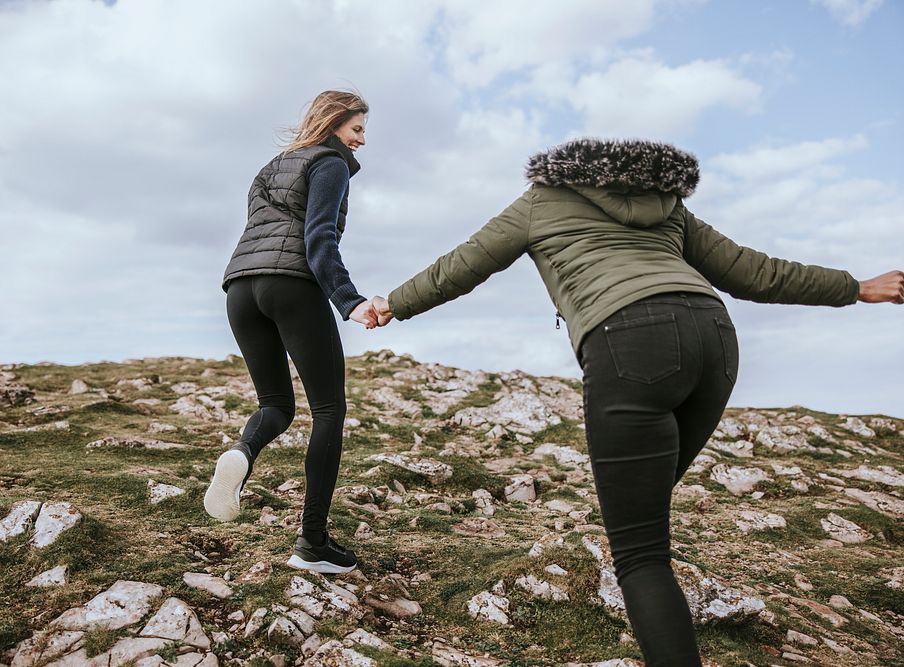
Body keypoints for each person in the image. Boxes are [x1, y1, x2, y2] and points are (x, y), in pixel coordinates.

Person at [368, 138, 903, 666]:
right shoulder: (668, 205)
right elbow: (752, 270)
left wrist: (393, 303)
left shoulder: (540, 200)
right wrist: (857, 287)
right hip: (714, 339)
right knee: (643, 506)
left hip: (630, 338)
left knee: (641, 555)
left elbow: (464, 263)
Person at [205, 90, 377, 575]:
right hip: (292, 285)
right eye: (357, 129)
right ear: (333, 122)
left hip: (240, 289)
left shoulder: (272, 166)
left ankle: (241, 452)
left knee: (275, 405)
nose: (361, 140)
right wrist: (350, 300)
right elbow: (317, 236)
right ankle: (313, 543)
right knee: (328, 410)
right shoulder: (330, 163)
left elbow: (261, 231)